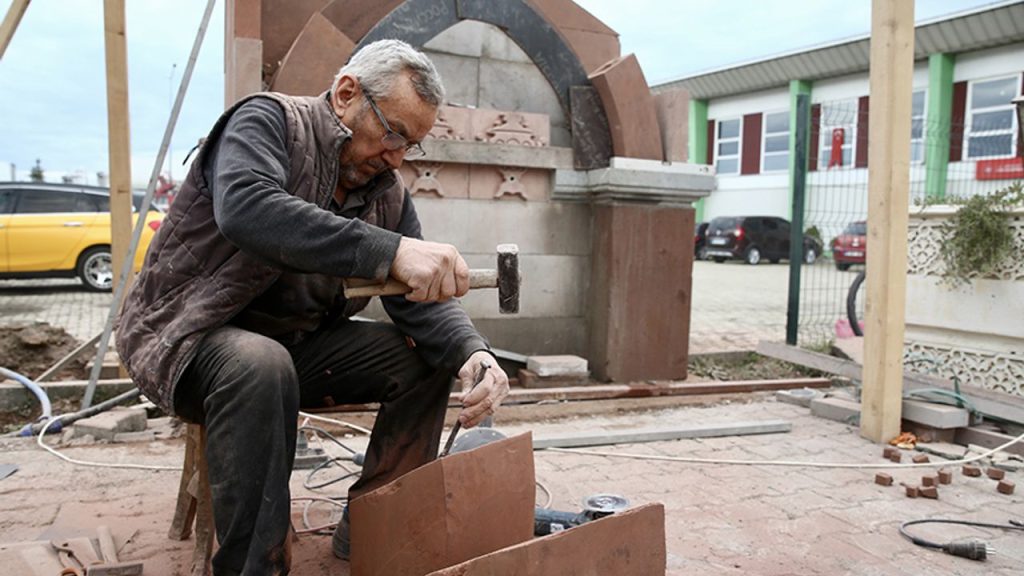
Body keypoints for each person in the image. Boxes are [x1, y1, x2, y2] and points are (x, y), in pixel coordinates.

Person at [116, 39, 510, 575]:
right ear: (347, 93)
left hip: (296, 346)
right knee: (258, 364)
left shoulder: (385, 192)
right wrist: (388, 250)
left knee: (423, 359)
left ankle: (375, 524)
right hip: (192, 336)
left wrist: (471, 352)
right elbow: (248, 210)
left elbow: (414, 299)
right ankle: (255, 567)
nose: (396, 157)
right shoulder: (266, 123)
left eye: (409, 145)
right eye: (392, 133)